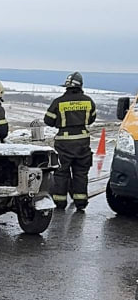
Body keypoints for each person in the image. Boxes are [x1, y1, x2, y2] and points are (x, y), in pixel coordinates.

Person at [44, 72, 97, 209]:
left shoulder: (59, 102)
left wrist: (60, 122)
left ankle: (60, 202)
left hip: (64, 143)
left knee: (61, 173)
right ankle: (81, 202)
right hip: (82, 142)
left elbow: (48, 120)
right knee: (81, 173)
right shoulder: (88, 101)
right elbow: (91, 119)